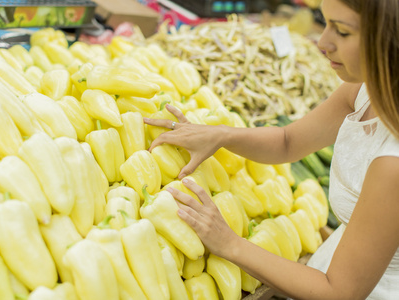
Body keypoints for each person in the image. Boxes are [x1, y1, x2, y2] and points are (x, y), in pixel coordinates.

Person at [143, 0, 399, 298]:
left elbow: (339, 292)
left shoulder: (392, 163)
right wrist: (220, 135)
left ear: (389, 40)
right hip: (334, 264)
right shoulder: (365, 90)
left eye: (342, 32)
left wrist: (228, 243)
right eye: (325, 22)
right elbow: (288, 141)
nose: (323, 42)